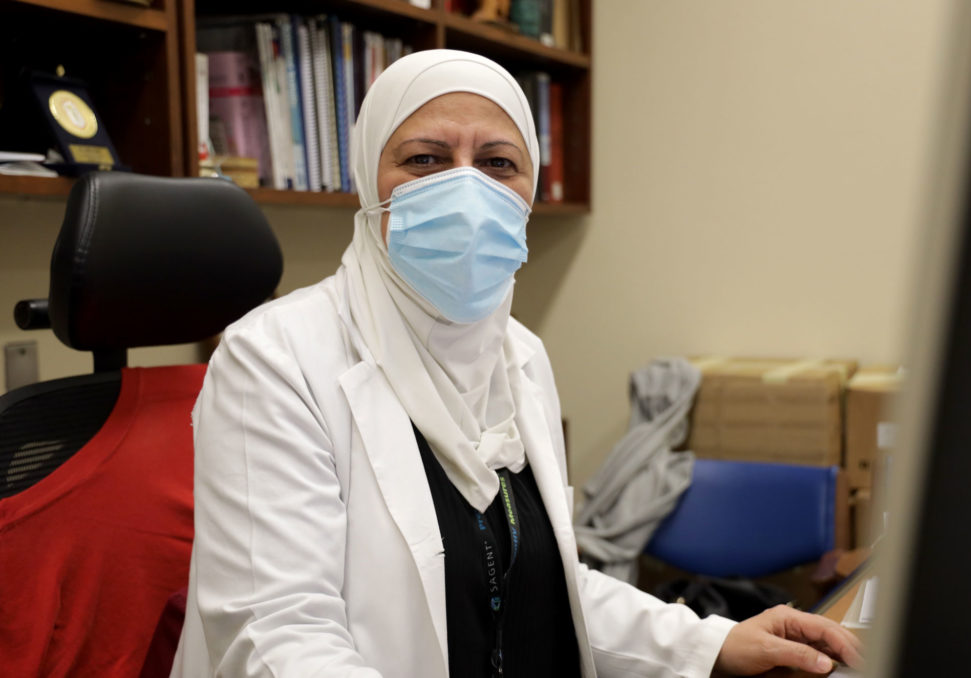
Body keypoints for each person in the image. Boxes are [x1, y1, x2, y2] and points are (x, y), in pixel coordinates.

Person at [171, 49, 861, 678]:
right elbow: (276, 635)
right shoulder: (275, 357)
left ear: (528, 192)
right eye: (424, 160)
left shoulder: (518, 354)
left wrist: (709, 643)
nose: (465, 190)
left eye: (499, 163)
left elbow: (540, 581)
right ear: (367, 182)